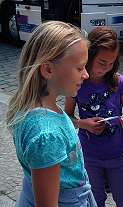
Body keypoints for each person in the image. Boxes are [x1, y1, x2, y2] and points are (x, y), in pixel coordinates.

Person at [6, 21, 97, 206]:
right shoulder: (46, 136)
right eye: (80, 68)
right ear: (48, 69)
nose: (86, 75)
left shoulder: (37, 108)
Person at [64, 26, 123, 207]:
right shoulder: (77, 82)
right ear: (88, 56)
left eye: (111, 64)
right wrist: (83, 124)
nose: (106, 68)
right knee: (96, 197)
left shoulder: (119, 82)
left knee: (122, 196)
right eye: (102, 62)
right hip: (89, 154)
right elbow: (66, 116)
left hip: (115, 153)